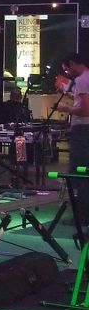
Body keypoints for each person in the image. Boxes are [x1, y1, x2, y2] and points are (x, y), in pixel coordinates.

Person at [56, 52, 89, 227]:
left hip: (82, 130)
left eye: (67, 70)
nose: (67, 73)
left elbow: (85, 110)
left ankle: (82, 215)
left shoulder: (82, 80)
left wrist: (66, 108)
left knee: (79, 172)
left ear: (72, 63)